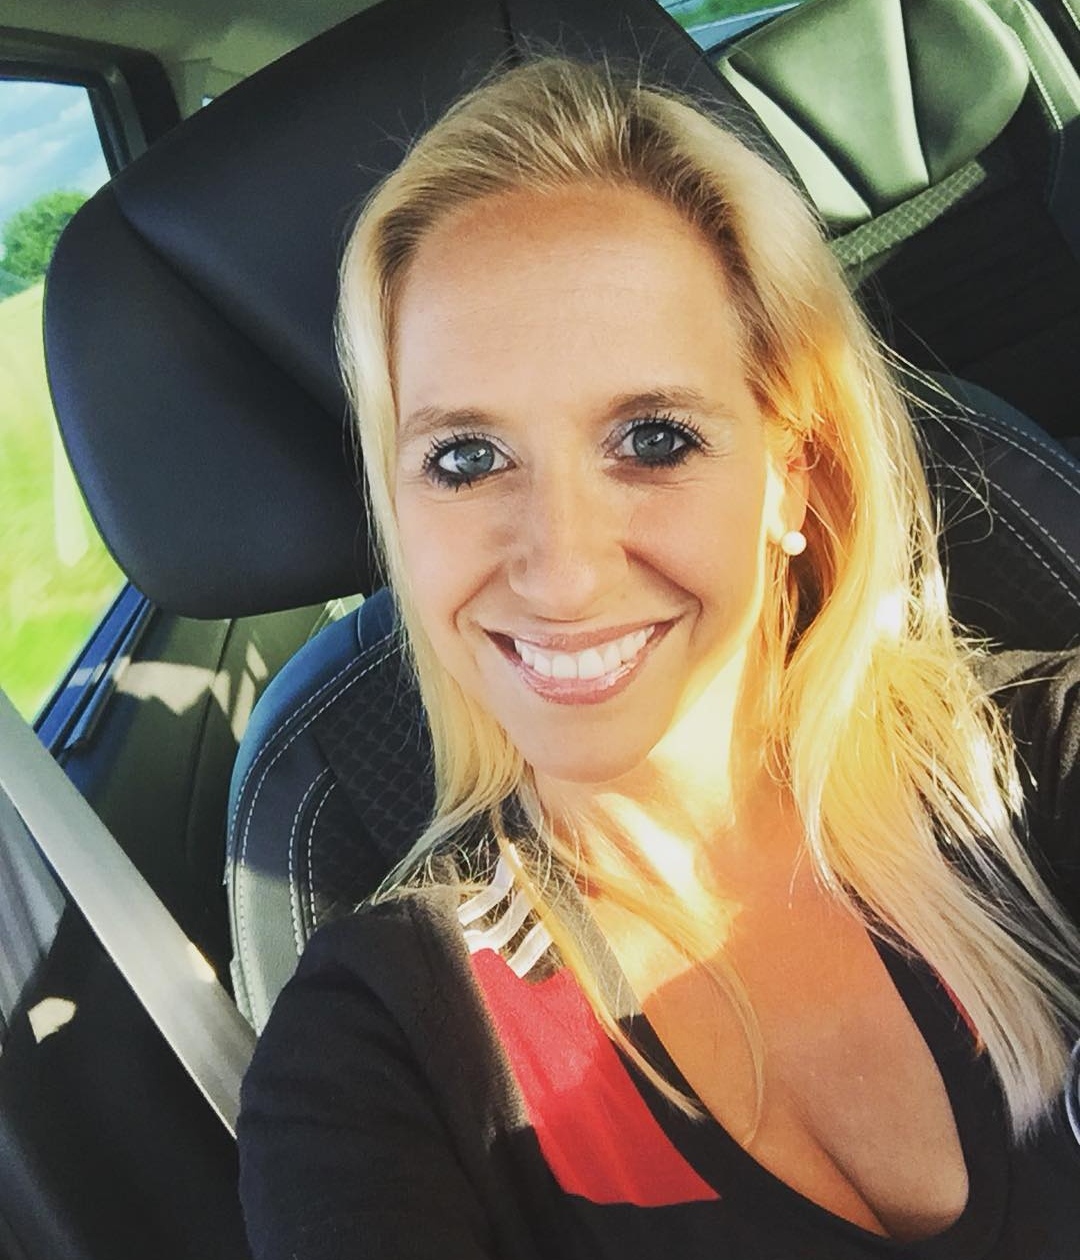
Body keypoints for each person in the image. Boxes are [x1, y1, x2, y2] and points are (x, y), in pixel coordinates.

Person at [237, 57, 1080, 1258]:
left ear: (792, 474)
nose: (563, 573)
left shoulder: (1041, 770)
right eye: (465, 459)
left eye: (654, 439)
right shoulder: (384, 1053)